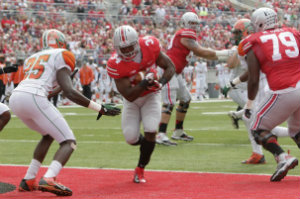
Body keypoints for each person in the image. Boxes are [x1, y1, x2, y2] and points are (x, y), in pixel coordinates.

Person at [9, 29, 121, 196]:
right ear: (61, 42)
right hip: (33, 97)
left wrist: (62, 86)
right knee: (68, 141)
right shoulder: (63, 54)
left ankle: (28, 180)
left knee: (47, 135)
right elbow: (69, 92)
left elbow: (47, 91)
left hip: (16, 98)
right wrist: (100, 108)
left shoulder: (33, 57)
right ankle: (49, 177)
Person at [107, 25, 175, 183]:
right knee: (130, 138)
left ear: (136, 42)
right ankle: (147, 144)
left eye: (130, 46)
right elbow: (129, 96)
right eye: (123, 48)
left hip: (151, 96)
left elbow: (170, 67)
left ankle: (140, 168)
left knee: (151, 130)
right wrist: (145, 81)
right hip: (132, 101)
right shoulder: (115, 63)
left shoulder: (150, 46)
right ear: (117, 48)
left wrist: (161, 83)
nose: (128, 51)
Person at [156, 12, 234, 146]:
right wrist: (225, 54)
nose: (194, 27)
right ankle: (161, 134)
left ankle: (178, 131)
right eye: (191, 23)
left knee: (185, 99)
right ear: (185, 23)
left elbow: (201, 52)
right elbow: (201, 52)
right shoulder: (184, 34)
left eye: (195, 24)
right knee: (169, 102)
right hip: (168, 70)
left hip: (176, 72)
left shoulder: (186, 36)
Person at [240, 7, 299, 181]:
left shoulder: (253, 40)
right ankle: (282, 159)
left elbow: (253, 78)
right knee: (296, 131)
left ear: (258, 23)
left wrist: (249, 103)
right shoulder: (293, 32)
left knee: (257, 128)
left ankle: (283, 157)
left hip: (283, 89)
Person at [224, 18, 289, 164]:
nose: (235, 35)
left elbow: (252, 74)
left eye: (238, 32)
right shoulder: (264, 40)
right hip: (269, 83)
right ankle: (259, 154)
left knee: (258, 125)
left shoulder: (250, 43)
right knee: (251, 120)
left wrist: (234, 85)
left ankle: (280, 154)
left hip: (263, 85)